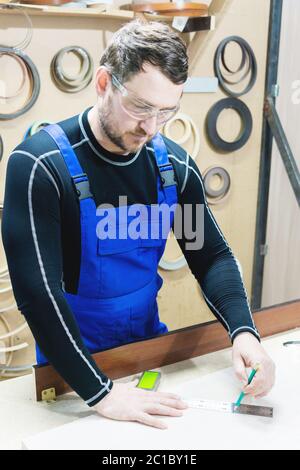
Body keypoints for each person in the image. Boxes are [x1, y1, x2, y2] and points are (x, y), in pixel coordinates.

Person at [1, 20, 275, 430]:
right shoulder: (41, 166)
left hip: (148, 349)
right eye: (141, 107)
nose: (151, 127)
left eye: (167, 111)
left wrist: (245, 334)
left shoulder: (174, 167)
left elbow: (211, 256)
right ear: (103, 83)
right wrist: (101, 392)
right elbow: (38, 294)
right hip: (73, 364)